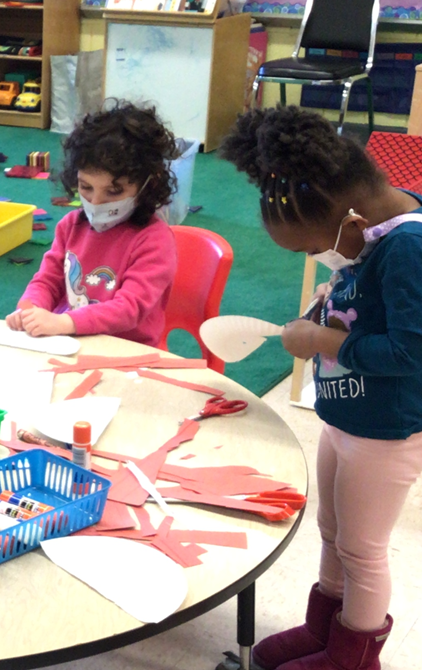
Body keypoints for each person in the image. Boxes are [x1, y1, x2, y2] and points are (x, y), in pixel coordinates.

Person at [221, 105, 422, 670]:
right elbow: (353, 292)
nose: (316, 258)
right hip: (348, 416)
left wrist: (323, 343)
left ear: (353, 222)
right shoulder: (371, 229)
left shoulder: (407, 248)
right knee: (333, 533)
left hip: (388, 431)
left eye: (310, 249)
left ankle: (354, 656)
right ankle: (323, 632)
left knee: (363, 549)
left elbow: (412, 351)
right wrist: (320, 310)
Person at [6, 101, 179, 347]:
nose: (96, 202)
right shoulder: (70, 226)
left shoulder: (154, 240)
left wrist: (65, 323)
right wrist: (30, 308)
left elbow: (129, 309)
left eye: (114, 191)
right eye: (86, 187)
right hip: (71, 341)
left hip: (127, 352)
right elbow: (47, 280)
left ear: (147, 185)